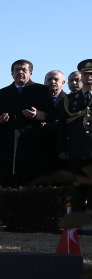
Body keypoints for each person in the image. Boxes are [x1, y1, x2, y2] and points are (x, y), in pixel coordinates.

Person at [0, 60, 55, 187]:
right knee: (7, 184)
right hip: (8, 145)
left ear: (30, 73)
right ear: (12, 74)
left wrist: (37, 115)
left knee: (29, 183)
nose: (20, 72)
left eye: (24, 70)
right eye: (17, 70)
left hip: (32, 144)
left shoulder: (41, 90)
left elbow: (51, 114)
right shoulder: (3, 93)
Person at [57, 59, 92, 212]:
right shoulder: (69, 100)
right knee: (77, 189)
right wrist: (61, 149)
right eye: (85, 74)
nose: (88, 77)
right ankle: (77, 224)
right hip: (75, 151)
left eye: (91, 74)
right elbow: (62, 128)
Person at [42, 70, 68, 175]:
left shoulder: (69, 100)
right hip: (42, 147)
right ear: (44, 82)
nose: (52, 81)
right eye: (49, 79)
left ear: (63, 82)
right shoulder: (39, 99)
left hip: (61, 148)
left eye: (56, 79)